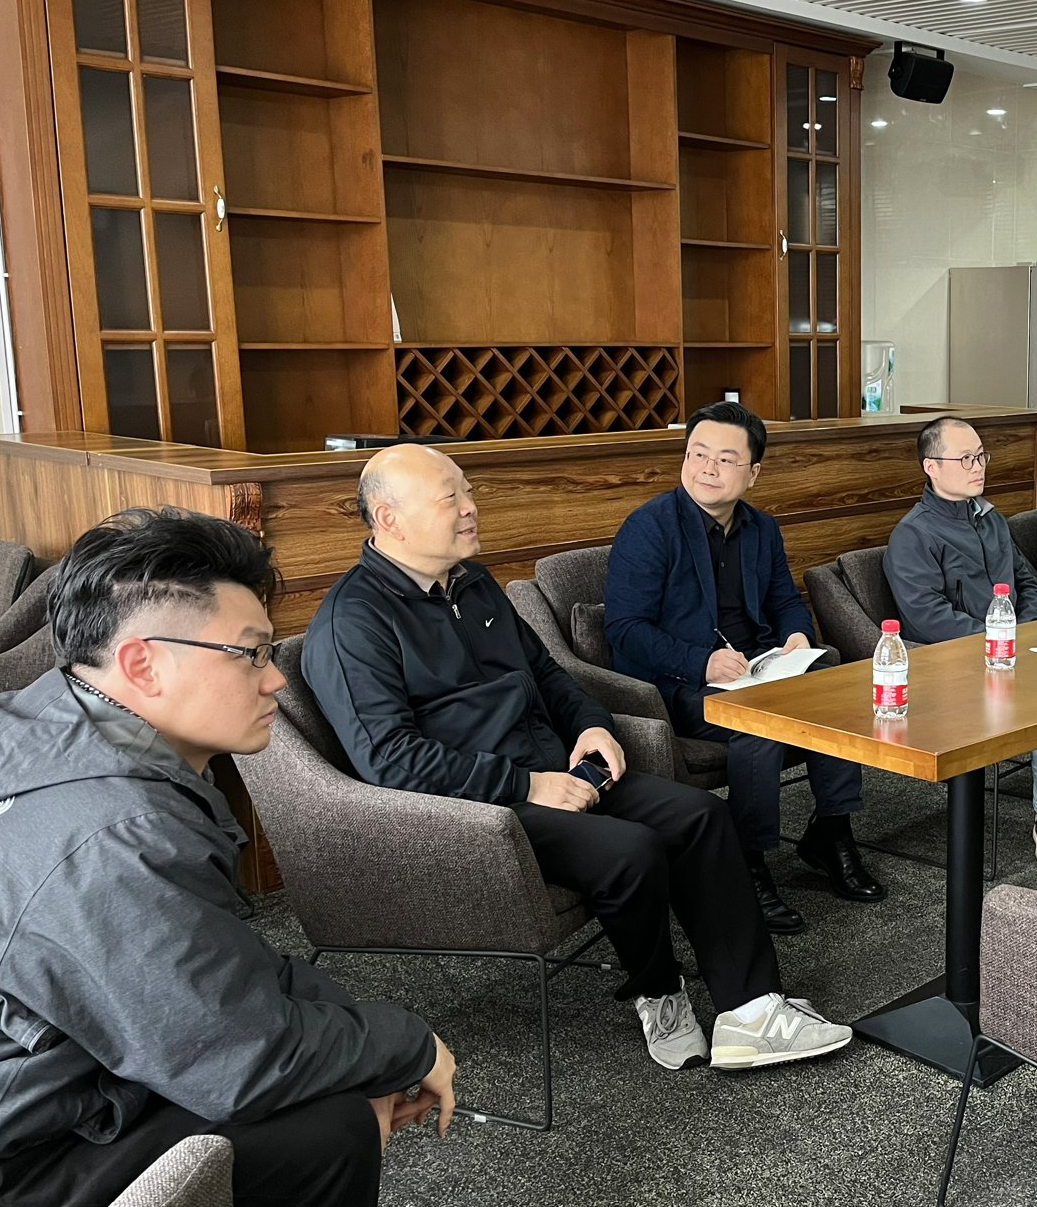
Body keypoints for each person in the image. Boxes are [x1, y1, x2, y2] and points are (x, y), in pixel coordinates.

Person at [305, 445, 849, 1074]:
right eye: (450, 497)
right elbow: (389, 760)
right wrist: (526, 785)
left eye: (468, 491)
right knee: (630, 849)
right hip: (475, 810)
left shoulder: (472, 584)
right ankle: (658, 991)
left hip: (556, 769)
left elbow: (546, 673)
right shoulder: (354, 621)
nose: (471, 508)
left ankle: (750, 1012)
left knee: (701, 815)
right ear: (389, 519)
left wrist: (592, 724)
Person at [0, 507, 454, 1207]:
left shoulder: (41, 727)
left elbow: (214, 960)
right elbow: (239, 1059)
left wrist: (362, 1041)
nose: (276, 681)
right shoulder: (114, 834)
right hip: (10, 1153)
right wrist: (410, 1045)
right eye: (251, 654)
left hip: (54, 1070)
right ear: (142, 664)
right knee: (326, 1127)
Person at [606, 402, 878, 937]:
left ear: (753, 472)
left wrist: (797, 636)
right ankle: (747, 864)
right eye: (697, 454)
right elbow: (625, 628)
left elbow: (785, 602)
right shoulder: (649, 528)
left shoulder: (761, 529)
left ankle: (832, 831)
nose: (707, 468)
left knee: (834, 680)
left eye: (725, 459)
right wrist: (701, 661)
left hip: (756, 669)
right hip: (682, 684)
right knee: (760, 724)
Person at [884, 416, 1037, 856]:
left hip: (1020, 645)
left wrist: (1029, 627)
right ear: (931, 467)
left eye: (981, 456)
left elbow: (1027, 581)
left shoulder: (991, 519)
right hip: (961, 663)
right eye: (965, 459)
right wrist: (1002, 640)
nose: (978, 466)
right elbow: (927, 619)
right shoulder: (913, 534)